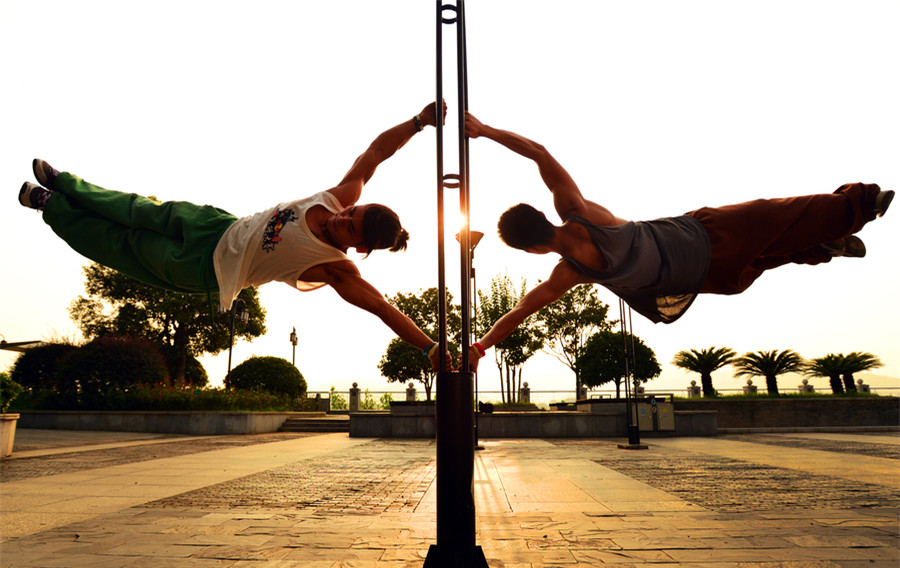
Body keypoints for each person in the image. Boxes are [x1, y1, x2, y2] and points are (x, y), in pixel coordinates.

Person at [18, 102, 451, 370]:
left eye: (349, 226)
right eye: (351, 212)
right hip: (215, 225)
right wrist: (418, 122)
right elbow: (376, 152)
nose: (342, 218)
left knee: (124, 246)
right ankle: (64, 182)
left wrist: (431, 347)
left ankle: (50, 205)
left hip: (207, 270)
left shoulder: (336, 269)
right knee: (137, 209)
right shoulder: (340, 197)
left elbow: (383, 309)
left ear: (359, 247)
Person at [462, 111, 893, 371]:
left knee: (763, 257)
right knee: (776, 216)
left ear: (532, 250)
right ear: (542, 215)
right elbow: (539, 152)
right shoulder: (578, 212)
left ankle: (823, 247)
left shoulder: (567, 275)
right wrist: (484, 130)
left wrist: (480, 346)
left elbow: (519, 311)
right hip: (700, 235)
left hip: (705, 277)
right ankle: (861, 203)